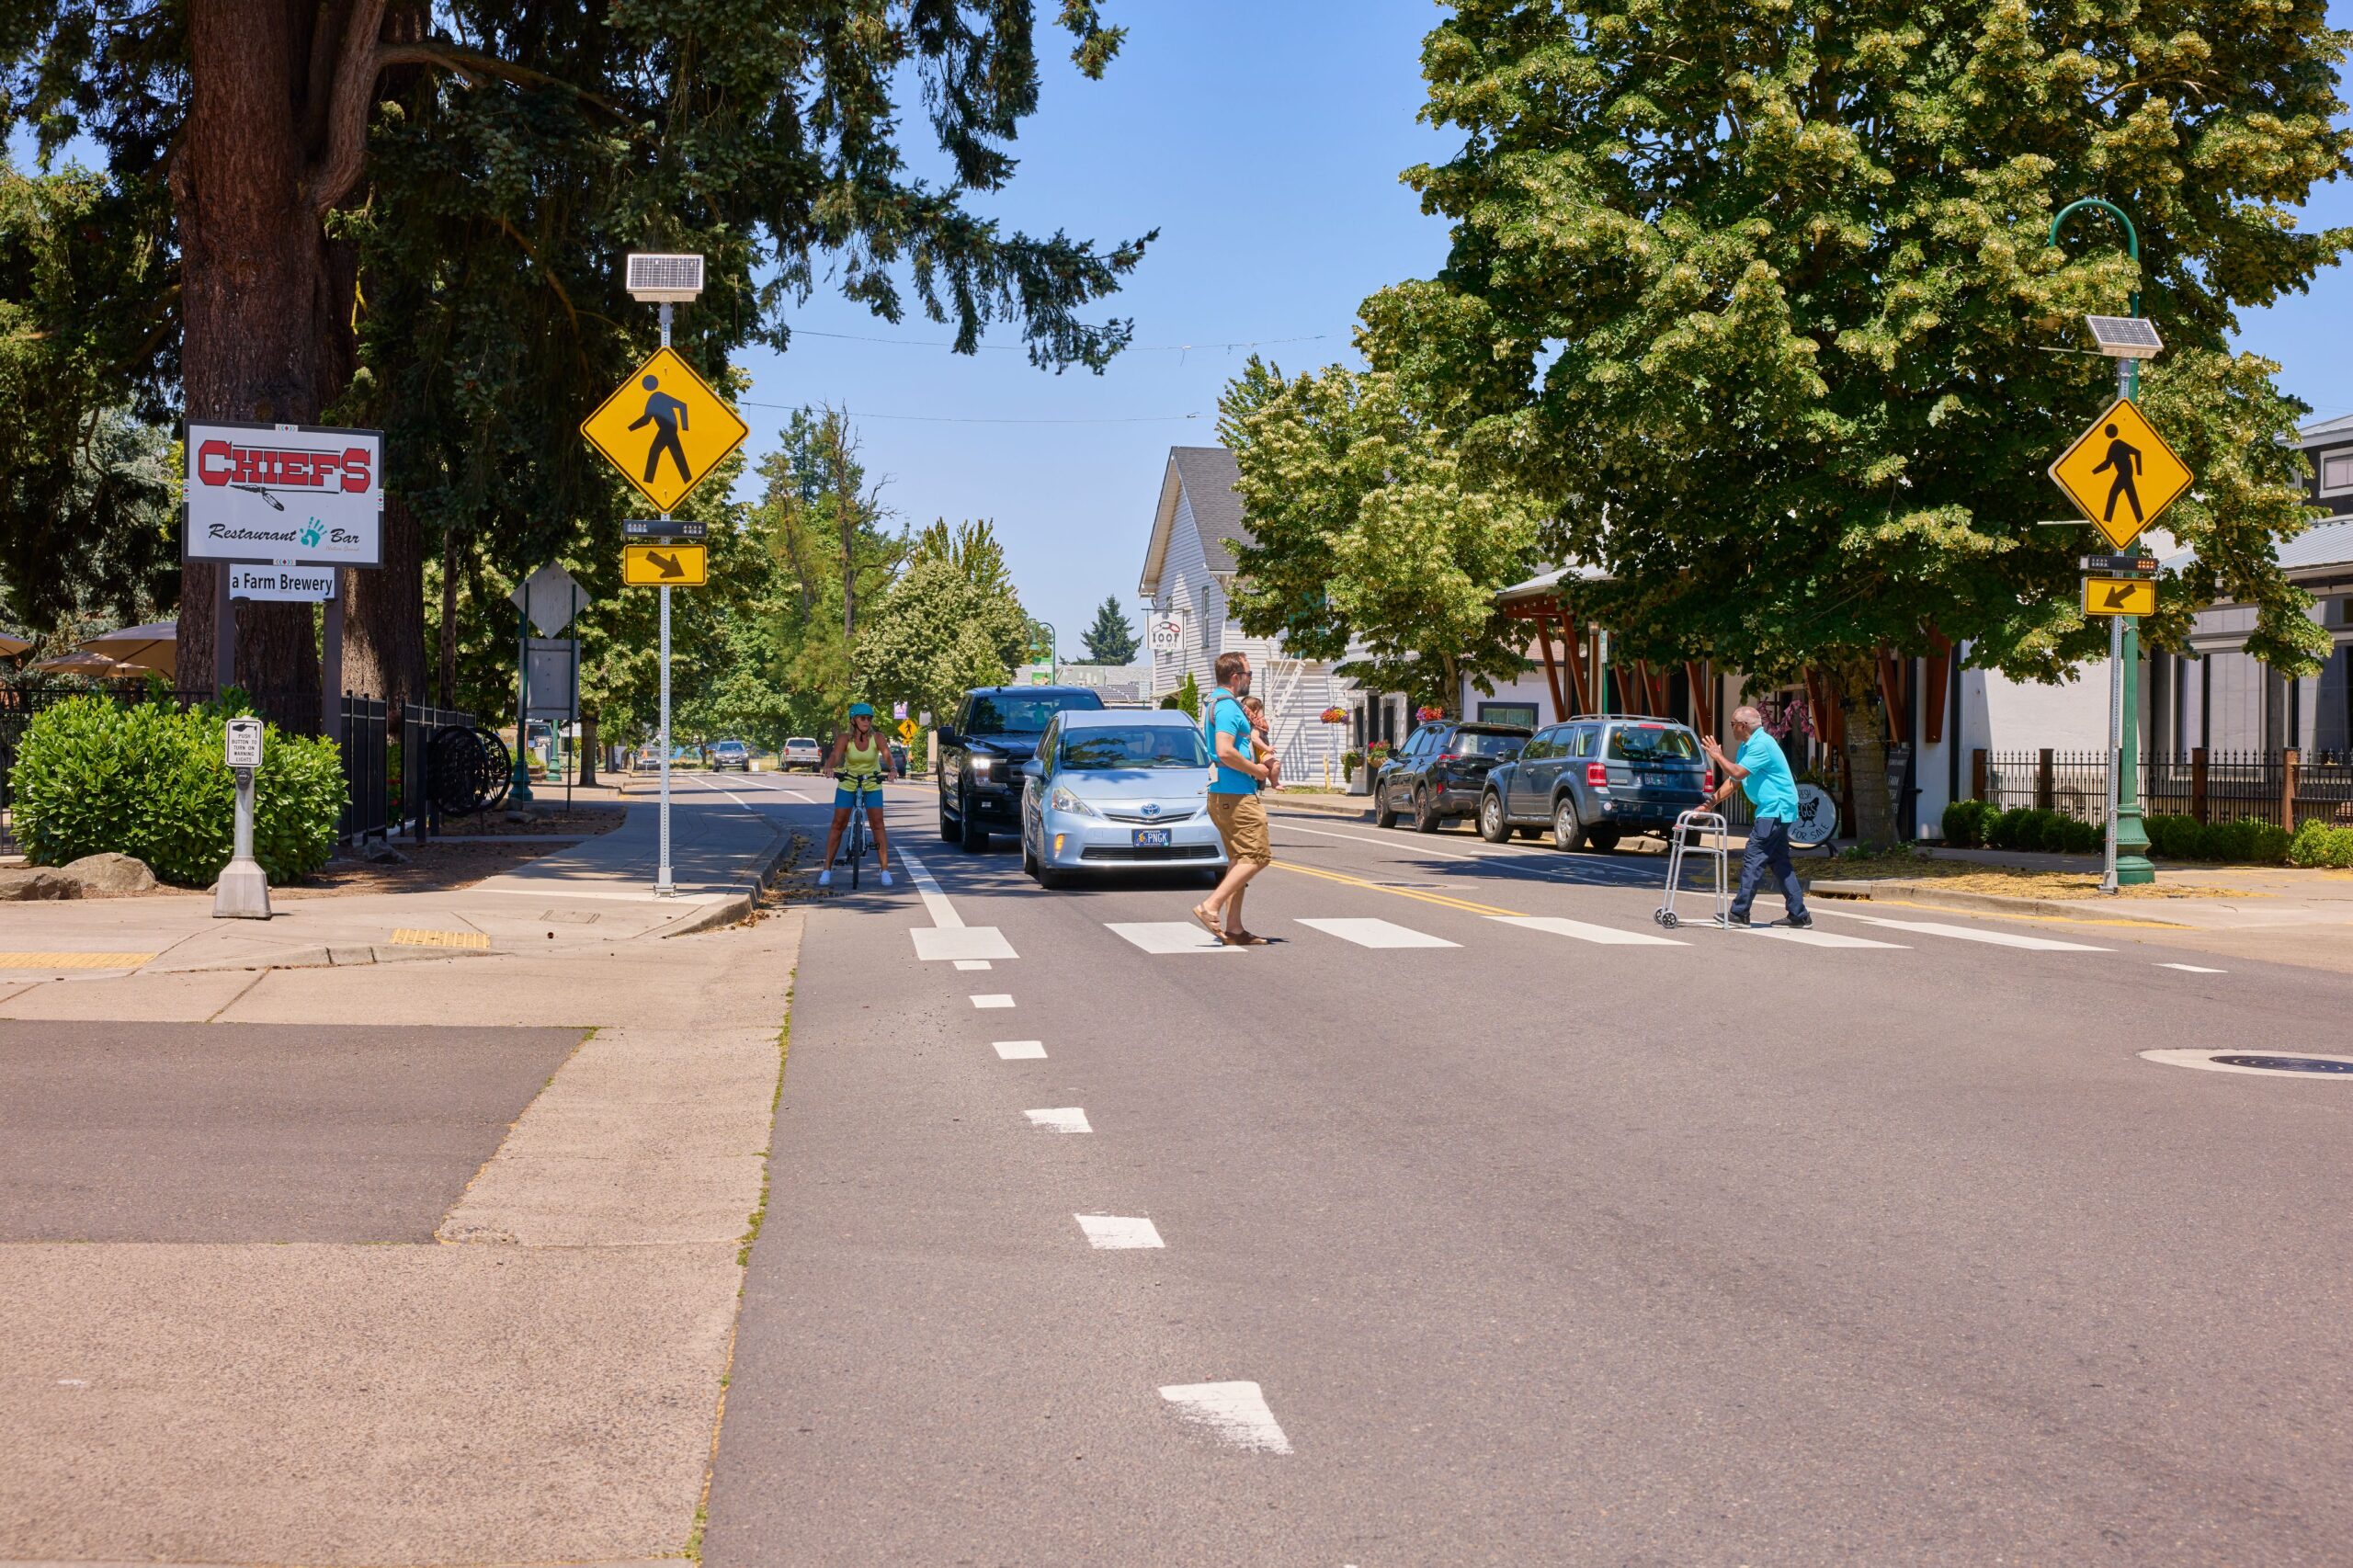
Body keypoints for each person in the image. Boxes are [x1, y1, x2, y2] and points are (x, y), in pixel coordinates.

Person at [1191, 651, 1276, 945]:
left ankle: (1235, 929)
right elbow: (1225, 750)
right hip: (1236, 795)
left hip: (1224, 794)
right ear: (1236, 677)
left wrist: (1258, 738)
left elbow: (1238, 740)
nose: (1250, 680)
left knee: (1239, 859)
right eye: (1249, 674)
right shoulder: (1226, 706)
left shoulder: (1218, 703)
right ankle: (1210, 906)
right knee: (1258, 856)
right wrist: (1257, 770)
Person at [1700, 705, 1811, 928]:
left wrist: (1718, 756)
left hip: (1775, 808)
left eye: (1732, 724)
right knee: (1780, 862)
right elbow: (1734, 782)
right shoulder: (1747, 746)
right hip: (1773, 809)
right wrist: (1710, 804)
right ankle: (1799, 914)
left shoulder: (1761, 744)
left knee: (1754, 856)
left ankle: (1740, 912)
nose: (1731, 729)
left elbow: (1737, 773)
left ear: (1743, 726)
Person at [818, 702, 897, 889]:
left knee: (878, 824)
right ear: (853, 720)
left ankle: (884, 870)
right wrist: (829, 767)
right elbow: (835, 755)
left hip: (872, 782)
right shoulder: (845, 739)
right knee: (838, 824)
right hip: (849, 781)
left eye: (869, 718)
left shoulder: (877, 737)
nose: (866, 721)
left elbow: (887, 755)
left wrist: (892, 768)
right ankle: (827, 870)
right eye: (863, 718)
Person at [1241, 695, 1282, 790]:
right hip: (1260, 753)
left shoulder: (1251, 725)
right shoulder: (1256, 727)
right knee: (1276, 765)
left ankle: (1273, 782)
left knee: (1271, 768)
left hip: (1258, 754)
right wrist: (1267, 748)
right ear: (1255, 712)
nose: (1263, 714)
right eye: (1261, 711)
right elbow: (1255, 739)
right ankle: (1275, 783)